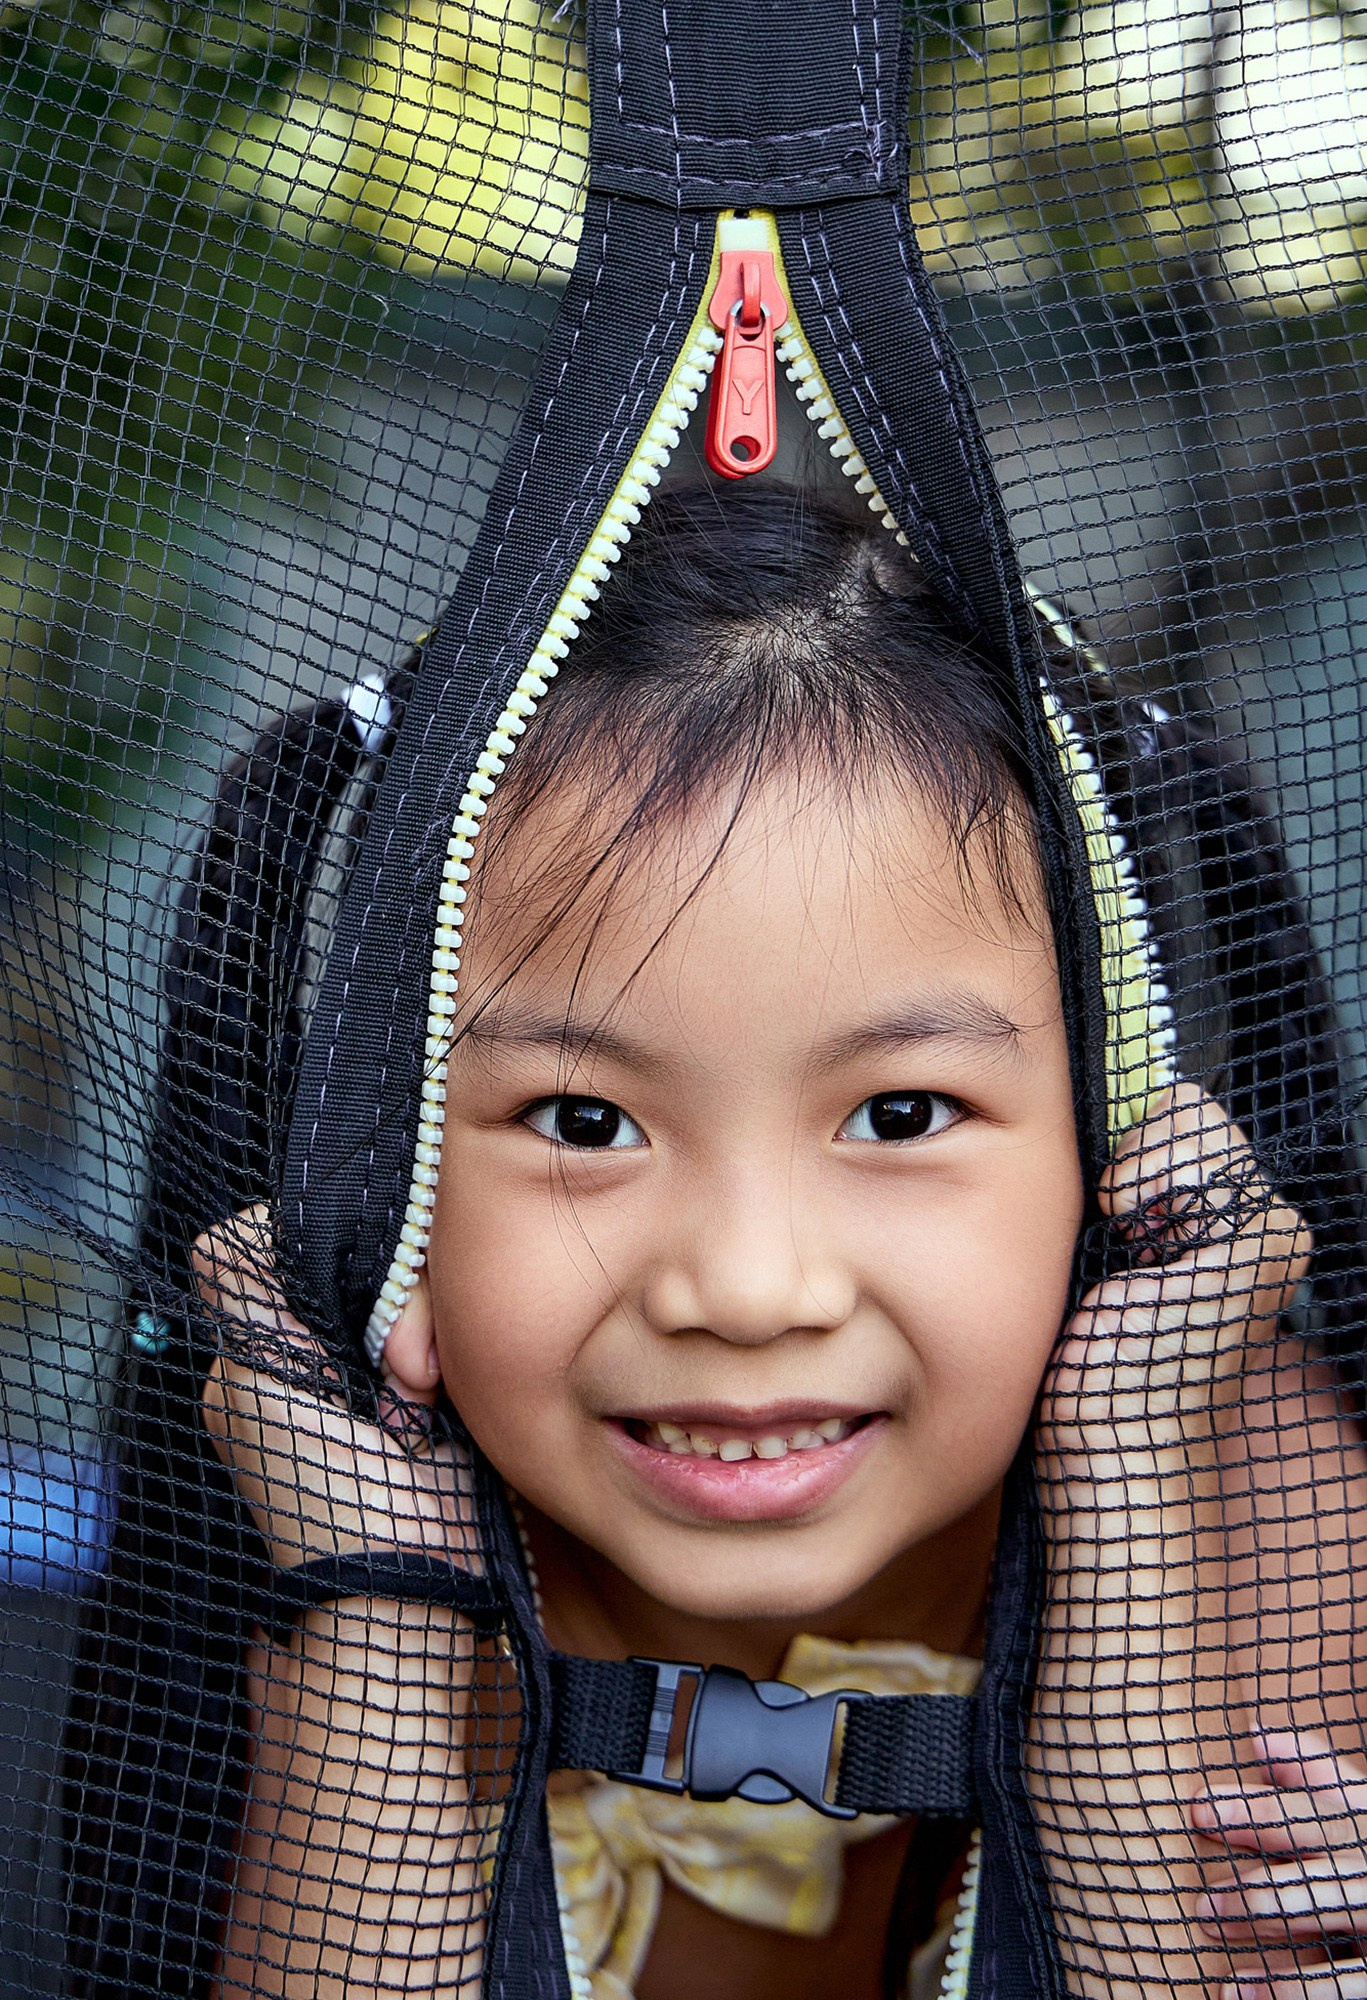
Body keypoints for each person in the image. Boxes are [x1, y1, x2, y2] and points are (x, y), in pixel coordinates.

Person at [123, 488, 1367, 1996]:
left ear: (1111, 1143)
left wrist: (1126, 1516)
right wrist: (378, 1608)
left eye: (902, 1113)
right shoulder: (333, 1496)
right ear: (386, 1161)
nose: (748, 1288)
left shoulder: (1250, 1490)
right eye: (586, 1125)